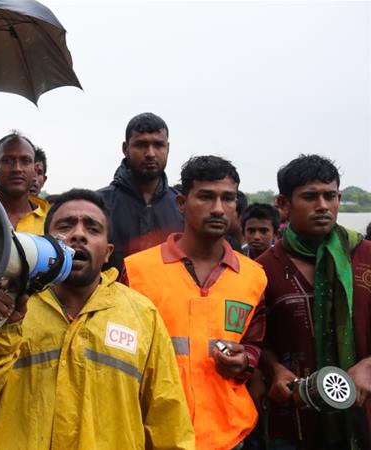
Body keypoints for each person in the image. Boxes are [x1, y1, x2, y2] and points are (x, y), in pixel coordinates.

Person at [0, 189, 195, 450]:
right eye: (66, 225)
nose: (78, 234)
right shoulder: (9, 307)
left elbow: (168, 418)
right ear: (46, 242)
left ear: (107, 252)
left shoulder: (142, 315)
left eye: (92, 229)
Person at [123, 156, 267, 450]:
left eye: (228, 198)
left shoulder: (253, 276)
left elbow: (254, 342)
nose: (218, 208)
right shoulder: (137, 270)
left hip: (228, 436)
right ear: (181, 204)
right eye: (205, 196)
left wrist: (245, 360)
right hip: (153, 434)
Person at [257, 154, 371, 449]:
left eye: (329, 196)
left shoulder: (366, 257)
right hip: (295, 418)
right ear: (283, 204)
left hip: (365, 414)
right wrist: (273, 369)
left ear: (339, 198)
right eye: (310, 197)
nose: (322, 206)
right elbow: (255, 339)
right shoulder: (261, 269)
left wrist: (369, 366)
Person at [97, 112, 183, 273]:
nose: (150, 153)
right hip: (112, 296)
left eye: (158, 145)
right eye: (141, 145)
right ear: (125, 148)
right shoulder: (99, 204)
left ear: (168, 148)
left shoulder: (182, 207)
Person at [0, 131, 49, 234]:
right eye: (7, 160)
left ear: (35, 170)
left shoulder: (49, 221)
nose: (17, 169)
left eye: (25, 161)